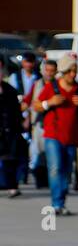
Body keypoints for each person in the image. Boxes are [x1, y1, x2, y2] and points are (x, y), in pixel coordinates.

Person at [34, 56, 78, 215]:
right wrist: (49, 103)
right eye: (69, 71)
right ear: (63, 72)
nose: (73, 74)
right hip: (53, 135)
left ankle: (61, 201)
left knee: (66, 170)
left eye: (74, 71)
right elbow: (36, 105)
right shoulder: (51, 87)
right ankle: (56, 203)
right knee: (55, 168)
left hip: (71, 136)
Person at [0, 59, 23, 197]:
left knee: (10, 159)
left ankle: (12, 186)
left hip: (8, 129)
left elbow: (16, 112)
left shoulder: (10, 90)